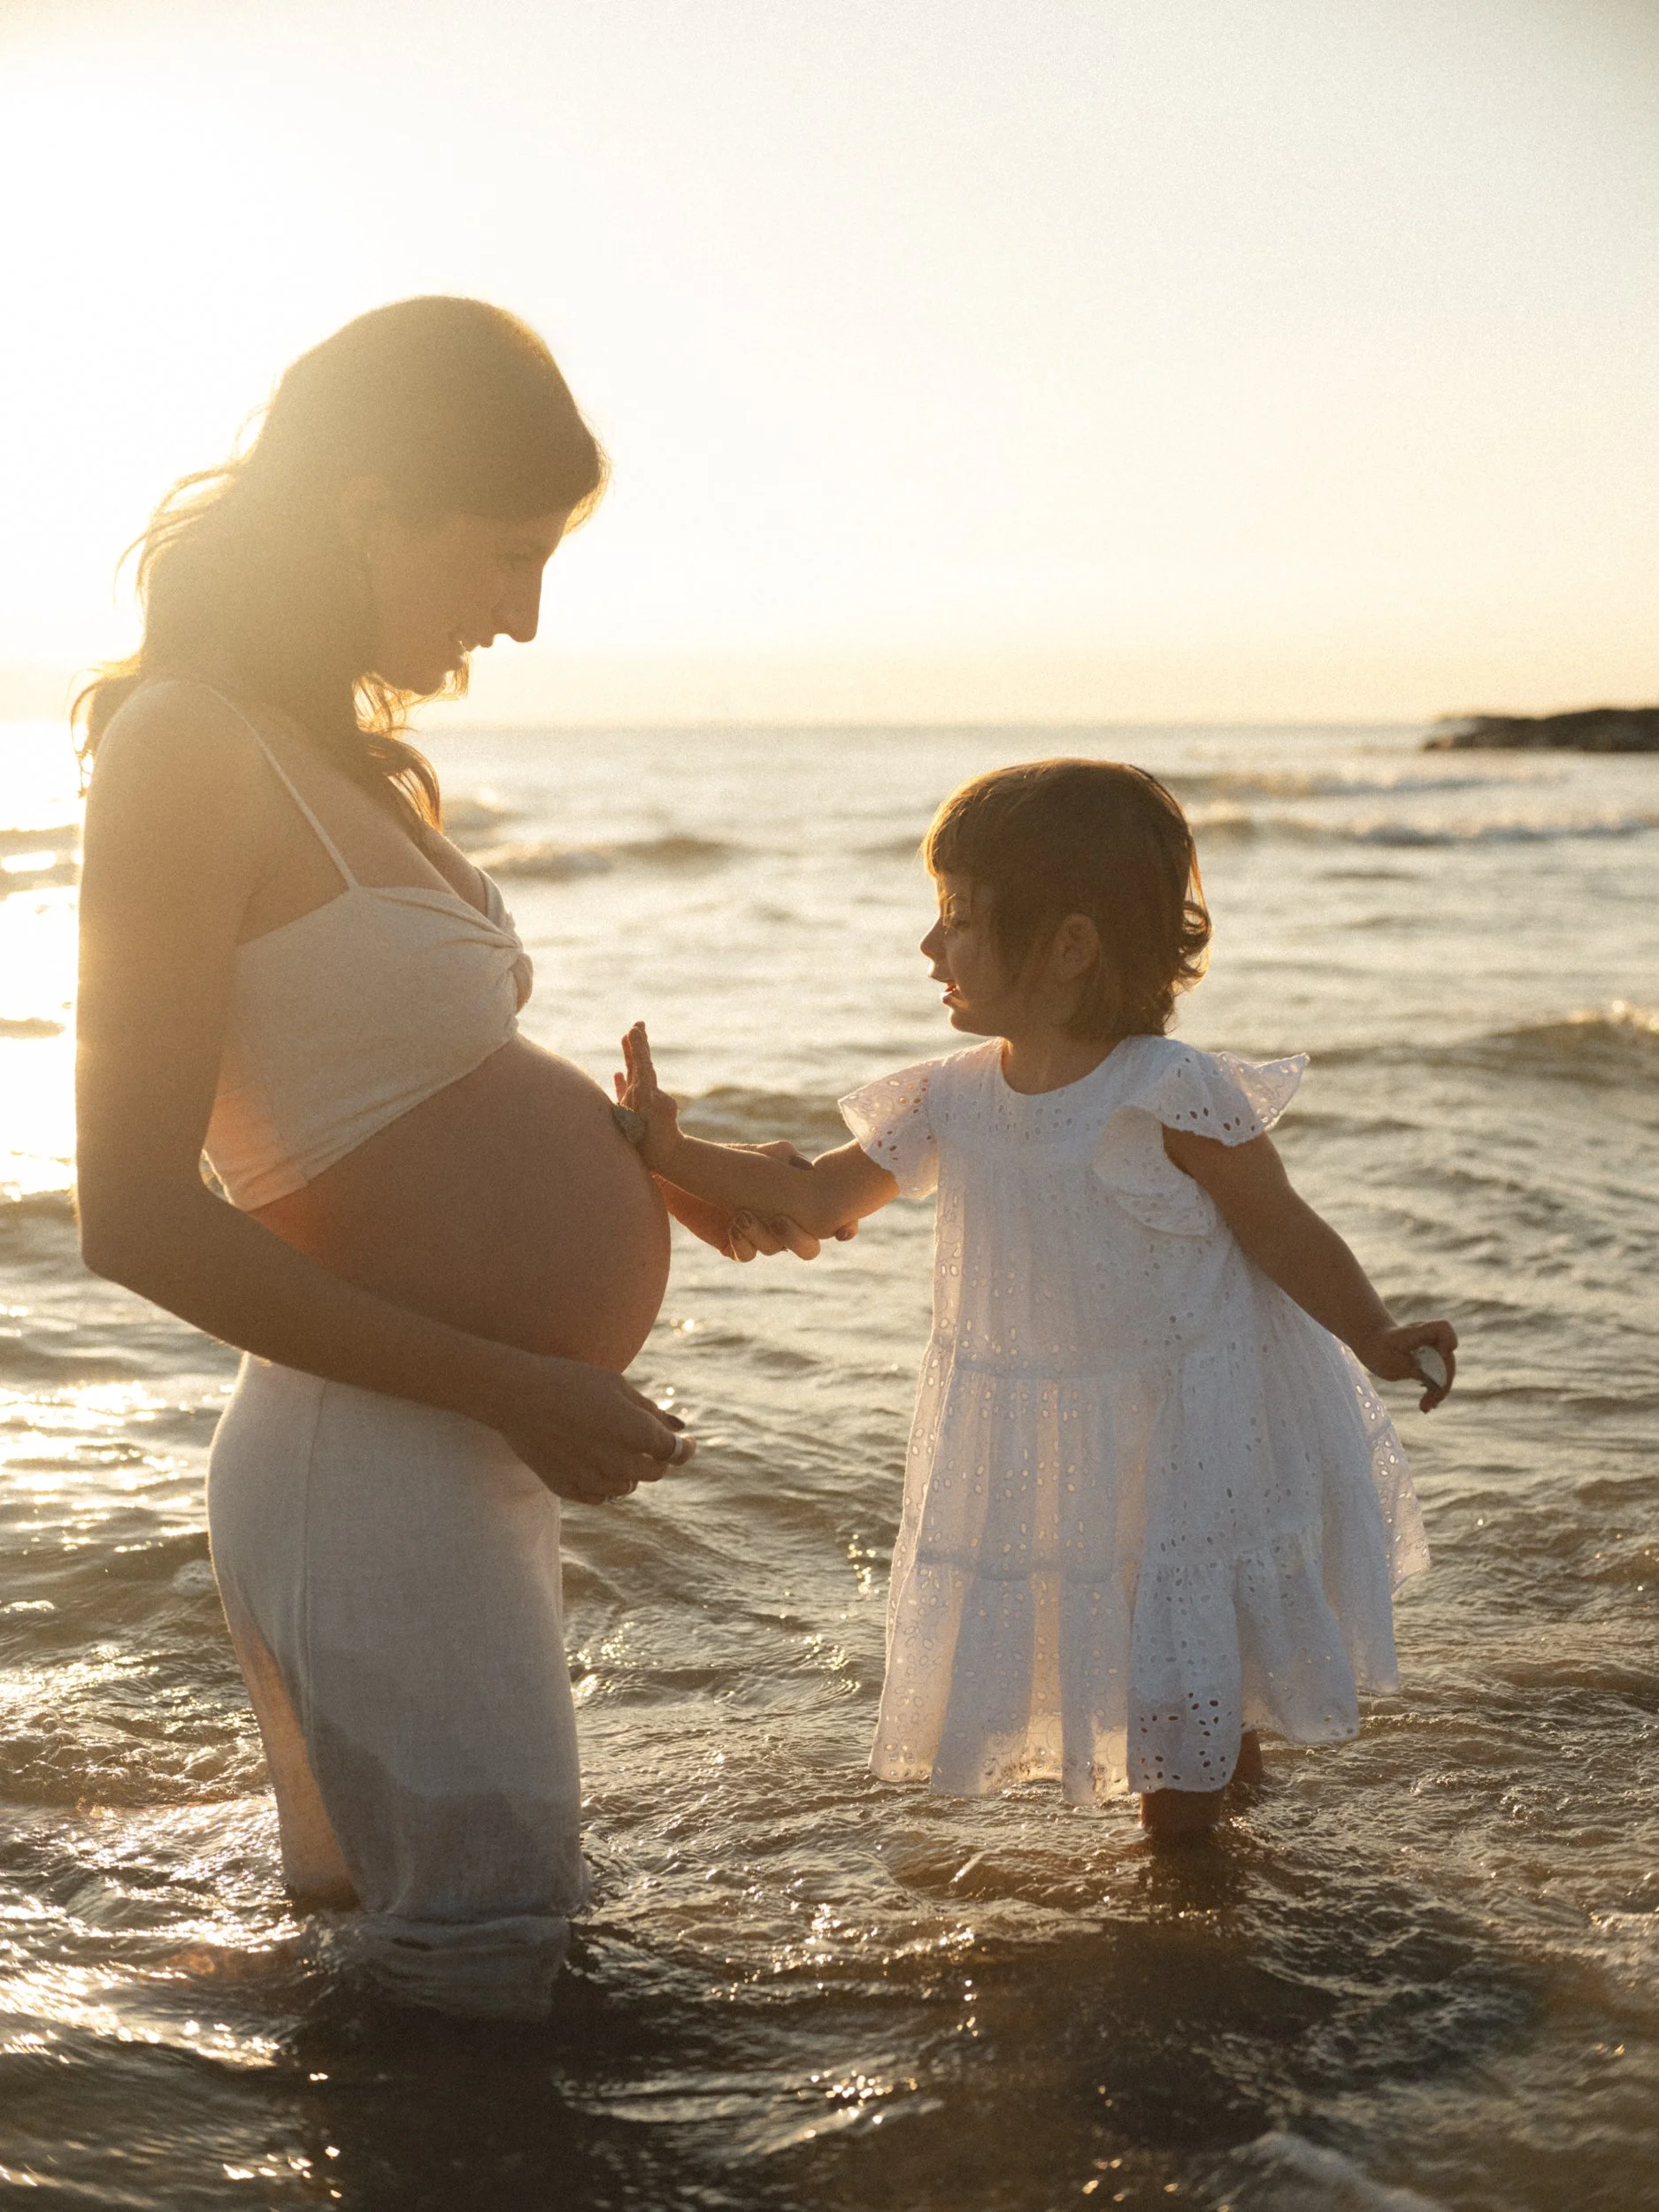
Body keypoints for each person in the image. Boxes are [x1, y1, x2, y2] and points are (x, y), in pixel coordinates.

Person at [73, 296, 825, 2015]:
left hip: (436, 1448)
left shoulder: (340, 758)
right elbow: (132, 1214)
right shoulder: (187, 740)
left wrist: (655, 1168)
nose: (525, 613)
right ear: (365, 510)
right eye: (503, 553)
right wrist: (519, 1373)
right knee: (481, 1981)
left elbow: (376, 1104)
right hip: (374, 1459)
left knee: (426, 1971)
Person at [613, 758, 1456, 1841]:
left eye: (958, 918)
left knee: (1183, 1669)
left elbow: (1281, 1226)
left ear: (1069, 946)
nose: (930, 947)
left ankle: (1200, 1909)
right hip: (1058, 1434)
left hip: (1191, 1423)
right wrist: (672, 1149)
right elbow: (817, 1197)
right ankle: (1228, 1848)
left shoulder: (1166, 1087)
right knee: (1167, 1661)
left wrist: (1378, 1332)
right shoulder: (949, 1095)